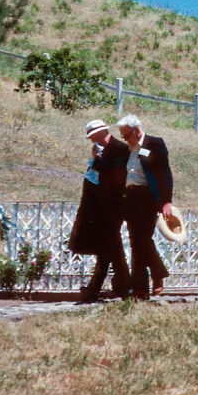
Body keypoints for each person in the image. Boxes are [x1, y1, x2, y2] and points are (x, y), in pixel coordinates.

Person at [69, 119, 130, 302]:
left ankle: (113, 286)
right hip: (97, 207)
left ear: (105, 132)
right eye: (92, 138)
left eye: (96, 136)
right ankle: (115, 285)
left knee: (111, 245)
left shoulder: (119, 149)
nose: (94, 141)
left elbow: (114, 175)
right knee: (109, 247)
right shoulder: (101, 151)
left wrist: (97, 159)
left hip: (112, 206)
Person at [117, 114, 174, 298]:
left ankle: (144, 284)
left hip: (148, 197)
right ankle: (145, 283)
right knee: (137, 241)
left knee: (143, 239)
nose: (124, 139)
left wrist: (166, 201)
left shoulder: (154, 144)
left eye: (126, 135)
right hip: (130, 197)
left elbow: (164, 173)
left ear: (136, 130)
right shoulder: (126, 149)